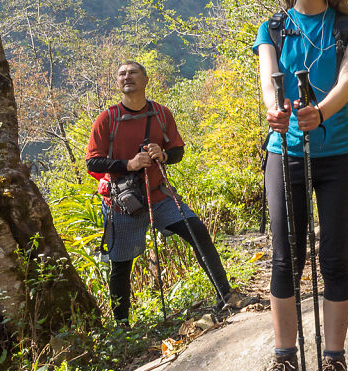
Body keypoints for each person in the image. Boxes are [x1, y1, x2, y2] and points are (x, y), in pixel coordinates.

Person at [253, 0, 348, 371]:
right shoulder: (274, 28)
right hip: (284, 153)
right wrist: (274, 110)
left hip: (338, 153)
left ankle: (335, 364)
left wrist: (319, 112)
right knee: (286, 260)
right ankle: (285, 364)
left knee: (335, 260)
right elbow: (267, 79)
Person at [86, 60, 250, 326]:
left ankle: (225, 293)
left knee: (196, 230)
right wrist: (129, 164)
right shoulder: (108, 119)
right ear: (118, 83)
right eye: (122, 74)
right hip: (122, 202)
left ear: (146, 80)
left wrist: (163, 154)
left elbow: (177, 151)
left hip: (159, 195)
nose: (127, 77)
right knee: (121, 263)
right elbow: (92, 162)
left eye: (132, 72)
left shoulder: (161, 115)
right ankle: (122, 326)